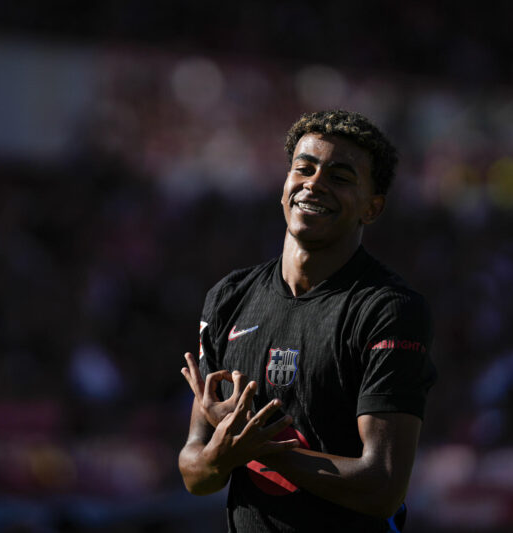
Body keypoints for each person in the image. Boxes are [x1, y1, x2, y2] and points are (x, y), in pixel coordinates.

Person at [178, 110, 437, 532]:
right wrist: (221, 452)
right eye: (305, 168)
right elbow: (196, 472)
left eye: (340, 177)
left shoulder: (388, 309)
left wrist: (257, 446)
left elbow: (383, 485)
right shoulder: (229, 298)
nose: (314, 184)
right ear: (285, 184)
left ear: (372, 208)